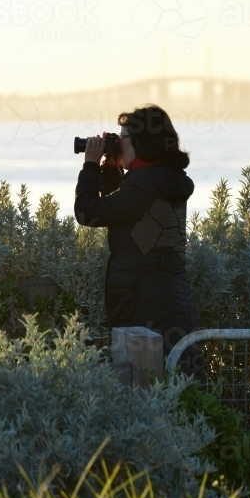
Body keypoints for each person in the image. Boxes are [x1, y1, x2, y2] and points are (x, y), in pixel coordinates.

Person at [74, 104, 204, 380]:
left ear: (143, 142)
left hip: (146, 300)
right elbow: (124, 214)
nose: (119, 145)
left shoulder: (145, 184)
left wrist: (89, 165)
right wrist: (110, 170)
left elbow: (87, 212)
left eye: (122, 139)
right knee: (178, 378)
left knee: (147, 380)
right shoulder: (160, 180)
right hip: (164, 297)